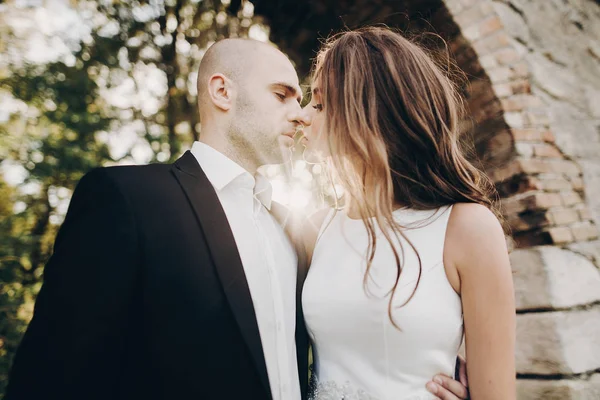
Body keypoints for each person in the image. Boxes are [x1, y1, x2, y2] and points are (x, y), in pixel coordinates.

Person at [6, 38, 470, 400]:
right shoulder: (126, 199)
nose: (301, 115)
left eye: (304, 100)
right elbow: (52, 376)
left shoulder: (305, 231)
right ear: (222, 91)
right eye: (283, 95)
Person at [300, 27, 516, 400]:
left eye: (319, 104)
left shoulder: (467, 228)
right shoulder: (316, 229)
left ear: (370, 112)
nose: (303, 115)